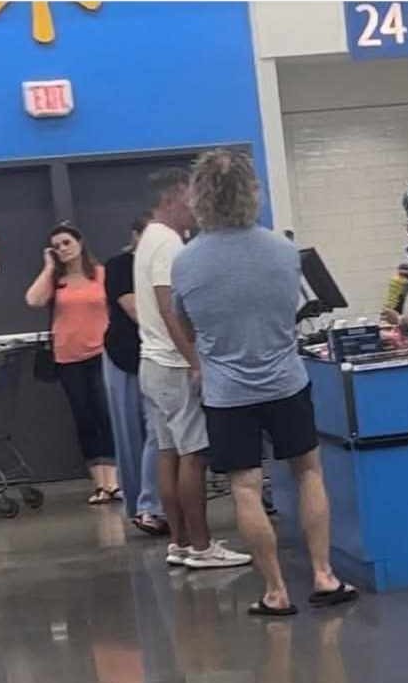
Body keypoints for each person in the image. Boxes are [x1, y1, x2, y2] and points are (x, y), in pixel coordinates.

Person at [172, 148, 357, 615]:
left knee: (246, 487)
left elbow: (187, 326)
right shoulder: (283, 250)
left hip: (227, 392)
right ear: (253, 193)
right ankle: (324, 575)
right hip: (286, 382)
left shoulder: (186, 263)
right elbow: (290, 312)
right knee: (309, 472)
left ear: (198, 197)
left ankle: (276, 591)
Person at [134, 167, 252, 569]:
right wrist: (195, 360)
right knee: (195, 454)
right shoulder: (168, 244)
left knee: (168, 452)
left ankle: (180, 542)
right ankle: (202, 546)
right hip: (172, 365)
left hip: (151, 363)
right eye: (190, 198)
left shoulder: (148, 239)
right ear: (172, 197)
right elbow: (170, 310)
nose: (196, 209)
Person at [26, 223, 119, 504]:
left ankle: (115, 481)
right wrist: (48, 268)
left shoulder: (101, 274)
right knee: (84, 418)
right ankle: (100, 483)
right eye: (57, 246)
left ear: (79, 243)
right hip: (67, 357)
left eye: (67, 243)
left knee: (105, 415)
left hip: (101, 353)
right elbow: (33, 300)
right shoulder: (56, 280)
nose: (63, 249)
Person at [103, 214, 167, 535]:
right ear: (136, 235)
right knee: (131, 433)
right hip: (125, 354)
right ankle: (140, 505)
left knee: (157, 431)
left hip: (158, 354)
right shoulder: (118, 266)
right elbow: (133, 309)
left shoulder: (166, 263)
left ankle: (152, 503)